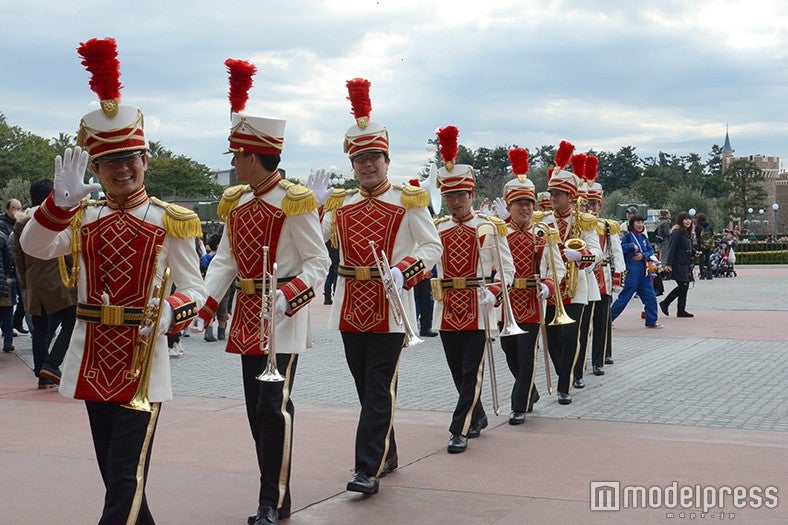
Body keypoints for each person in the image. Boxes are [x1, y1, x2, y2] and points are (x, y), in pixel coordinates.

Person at [20, 38, 206, 524]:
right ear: (97, 168)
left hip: (142, 360)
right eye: (110, 162)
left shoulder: (171, 220)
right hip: (92, 356)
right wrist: (58, 206)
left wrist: (169, 311)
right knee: (116, 472)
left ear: (146, 160)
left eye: (131, 159)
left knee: (125, 472)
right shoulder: (83, 217)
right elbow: (34, 247)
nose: (122, 169)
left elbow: (197, 288)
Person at [191, 59, 329, 525]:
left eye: (237, 156)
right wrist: (205, 305)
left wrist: (291, 296)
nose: (233, 165)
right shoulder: (236, 203)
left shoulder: (295, 200)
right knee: (256, 412)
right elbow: (226, 260)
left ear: (253, 157)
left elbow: (318, 262)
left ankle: (270, 499)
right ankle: (277, 491)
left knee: (273, 406)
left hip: (282, 316)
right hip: (247, 314)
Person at [313, 78, 441, 493]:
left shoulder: (408, 200)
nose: (367, 165)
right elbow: (313, 241)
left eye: (374, 158)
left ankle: (366, 468)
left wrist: (405, 270)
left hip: (391, 308)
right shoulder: (342, 204)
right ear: (352, 165)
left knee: (377, 386)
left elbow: (432, 245)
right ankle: (387, 452)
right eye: (360, 159)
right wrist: (313, 206)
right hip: (351, 307)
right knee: (366, 388)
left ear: (387, 160)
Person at [430, 125, 513, 452]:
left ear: (472, 195)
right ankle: (476, 416)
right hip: (447, 305)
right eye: (449, 196)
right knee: (457, 370)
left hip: (479, 306)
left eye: (460, 196)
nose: (455, 202)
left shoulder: (490, 226)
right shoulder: (438, 228)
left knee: (470, 370)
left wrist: (494, 292)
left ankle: (459, 429)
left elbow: (507, 268)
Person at [499, 148, 564, 425]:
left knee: (527, 354)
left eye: (529, 203)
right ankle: (531, 391)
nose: (525, 208)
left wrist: (548, 285)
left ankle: (519, 405)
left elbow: (558, 266)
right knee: (510, 353)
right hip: (506, 303)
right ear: (509, 206)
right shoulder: (498, 232)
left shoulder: (543, 233)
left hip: (533, 301)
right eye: (519, 203)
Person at [543, 141, 602, 405]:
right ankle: (562, 372)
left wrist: (581, 256)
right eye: (551, 193)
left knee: (570, 337)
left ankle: (564, 385)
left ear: (570, 196)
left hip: (576, 287)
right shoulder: (543, 220)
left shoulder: (584, 221)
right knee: (552, 339)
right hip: (551, 285)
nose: (553, 198)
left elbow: (596, 252)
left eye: (558, 194)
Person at [13, 179, 78, 388]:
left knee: (40, 331)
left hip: (34, 283)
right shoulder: (55, 219)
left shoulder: (21, 222)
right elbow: (67, 250)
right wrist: (74, 274)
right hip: (58, 280)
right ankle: (51, 364)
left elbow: (18, 255)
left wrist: (25, 282)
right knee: (71, 322)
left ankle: (42, 373)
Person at [577, 159, 624, 377]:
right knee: (582, 324)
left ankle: (599, 359)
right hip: (582, 278)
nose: (591, 208)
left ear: (601, 205)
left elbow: (617, 254)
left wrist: (617, 279)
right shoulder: (577, 224)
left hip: (602, 277)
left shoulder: (606, 226)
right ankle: (579, 363)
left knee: (601, 322)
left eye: (594, 204)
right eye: (587, 204)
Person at [610, 214, 662, 328]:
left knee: (650, 297)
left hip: (644, 272)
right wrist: (631, 246)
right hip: (632, 272)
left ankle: (651, 321)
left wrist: (643, 255)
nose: (640, 225)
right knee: (624, 297)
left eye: (642, 222)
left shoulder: (644, 238)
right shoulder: (627, 237)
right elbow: (619, 249)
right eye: (637, 222)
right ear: (632, 224)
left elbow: (650, 251)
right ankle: (608, 319)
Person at [659, 212, 695, 318]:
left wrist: (694, 252)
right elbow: (672, 248)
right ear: (680, 221)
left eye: (689, 219)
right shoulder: (677, 232)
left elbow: (687, 247)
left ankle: (681, 310)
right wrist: (669, 263)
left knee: (685, 286)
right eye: (685, 219)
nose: (688, 221)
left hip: (685, 262)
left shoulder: (686, 233)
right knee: (683, 285)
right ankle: (665, 303)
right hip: (678, 263)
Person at [695, 213, 715, 279]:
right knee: (707, 258)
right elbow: (712, 234)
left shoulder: (698, 226)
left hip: (701, 244)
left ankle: (702, 274)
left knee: (701, 259)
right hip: (708, 244)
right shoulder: (709, 226)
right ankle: (709, 274)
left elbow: (697, 235)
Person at [323, 239, 339, 304]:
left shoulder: (327, 238)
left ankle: (327, 297)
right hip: (337, 259)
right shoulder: (337, 238)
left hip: (329, 259)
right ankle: (336, 296)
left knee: (329, 278)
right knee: (336, 278)